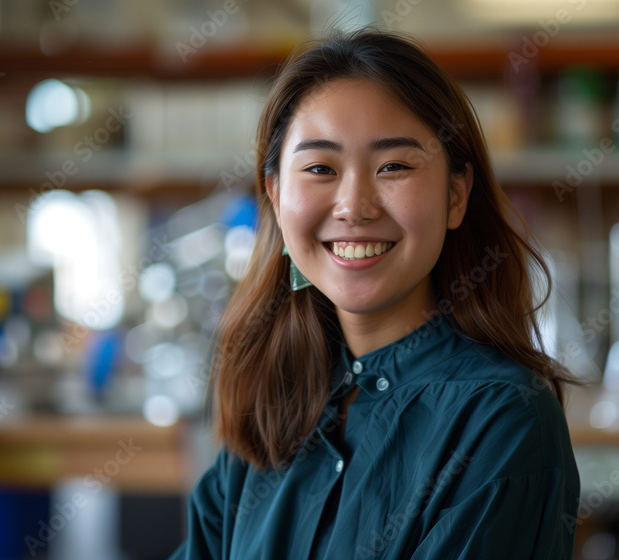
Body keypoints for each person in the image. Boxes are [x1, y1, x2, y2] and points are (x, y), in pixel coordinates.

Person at [169, 25, 581, 560]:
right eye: (320, 168)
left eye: (394, 167)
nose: (354, 206)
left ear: (456, 196)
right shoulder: (274, 396)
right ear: (274, 195)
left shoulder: (503, 419)